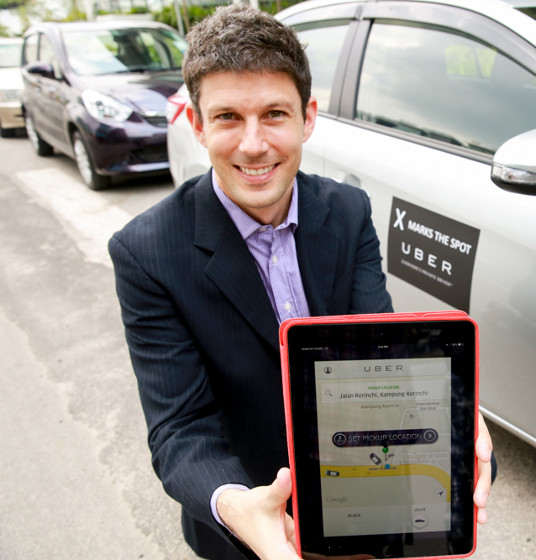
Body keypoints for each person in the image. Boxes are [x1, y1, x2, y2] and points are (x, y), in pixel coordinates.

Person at [108, 4, 494, 560]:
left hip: (368, 504)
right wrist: (237, 505)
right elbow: (180, 427)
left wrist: (454, 418)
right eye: (227, 118)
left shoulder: (348, 210)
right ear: (197, 125)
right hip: (247, 529)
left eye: (273, 114)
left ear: (307, 117)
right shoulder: (146, 253)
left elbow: (379, 349)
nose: (254, 144)